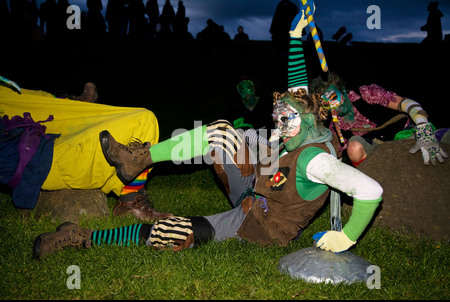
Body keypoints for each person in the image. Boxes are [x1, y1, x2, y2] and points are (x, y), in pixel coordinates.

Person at [33, 61, 384, 259]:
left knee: (177, 231)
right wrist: (294, 33)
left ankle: (83, 237)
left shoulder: (318, 161)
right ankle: (138, 159)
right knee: (219, 131)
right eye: (277, 116)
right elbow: (296, 89)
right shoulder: (302, 127)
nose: (278, 124)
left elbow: (370, 190)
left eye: (285, 119)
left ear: (307, 122)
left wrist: (347, 237)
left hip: (261, 225)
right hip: (254, 191)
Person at [286, 1, 448, 167]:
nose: (332, 106)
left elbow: (406, 103)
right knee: (354, 148)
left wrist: (423, 126)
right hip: (378, 152)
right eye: (326, 105)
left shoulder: (366, 94)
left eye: (333, 97)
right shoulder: (335, 127)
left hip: (405, 134)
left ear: (342, 90)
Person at [0, 77, 170, 221]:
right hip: (42, 159)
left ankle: (72, 104)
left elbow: (28, 99)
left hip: (49, 132)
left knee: (145, 119)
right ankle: (131, 198)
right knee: (141, 121)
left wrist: (68, 103)